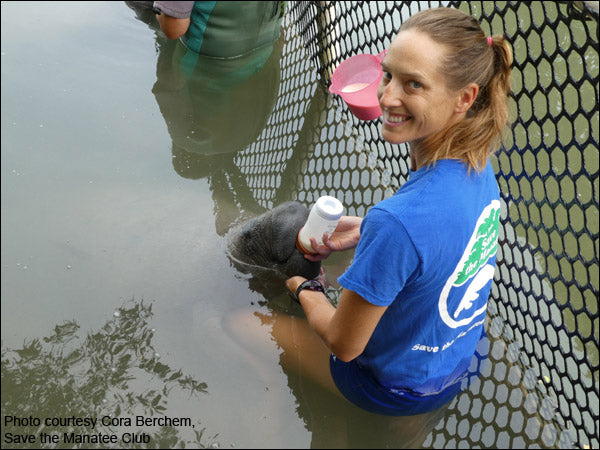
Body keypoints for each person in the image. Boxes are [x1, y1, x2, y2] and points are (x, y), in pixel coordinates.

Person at [282, 6, 513, 416]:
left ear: (465, 98)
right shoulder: (479, 164)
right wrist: (372, 227)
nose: (387, 96)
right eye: (387, 74)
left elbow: (344, 344)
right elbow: (434, 234)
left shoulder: (398, 222)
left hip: (389, 389)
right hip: (458, 365)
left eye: (414, 84)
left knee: (238, 324)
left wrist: (306, 289)